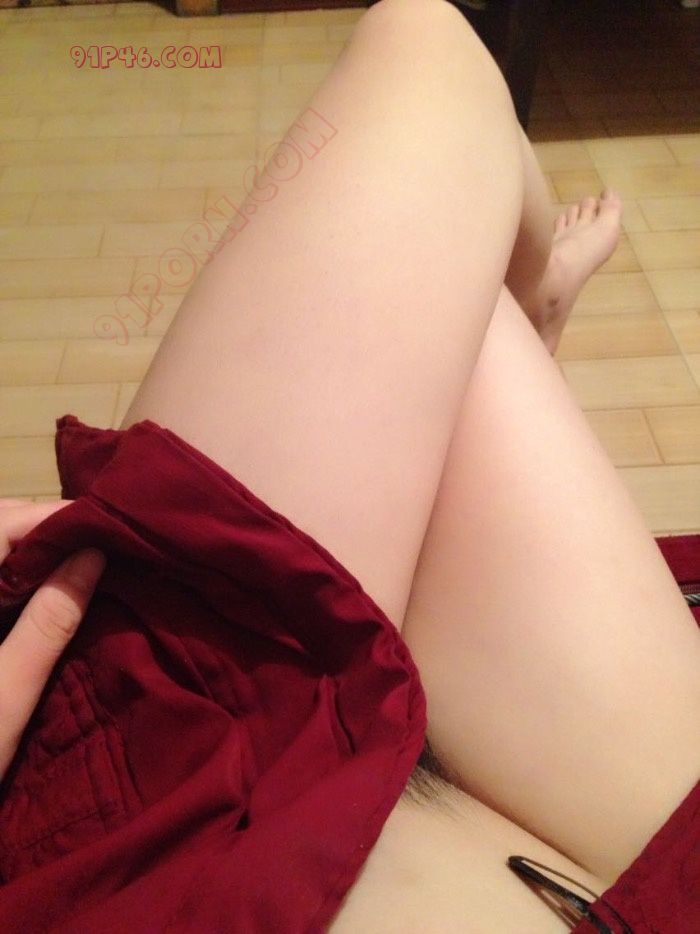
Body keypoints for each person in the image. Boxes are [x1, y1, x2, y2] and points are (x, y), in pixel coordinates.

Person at [0, 0, 698, 929]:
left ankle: (522, 303)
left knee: (445, 297)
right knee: (426, 47)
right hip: (152, 843)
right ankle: (530, 297)